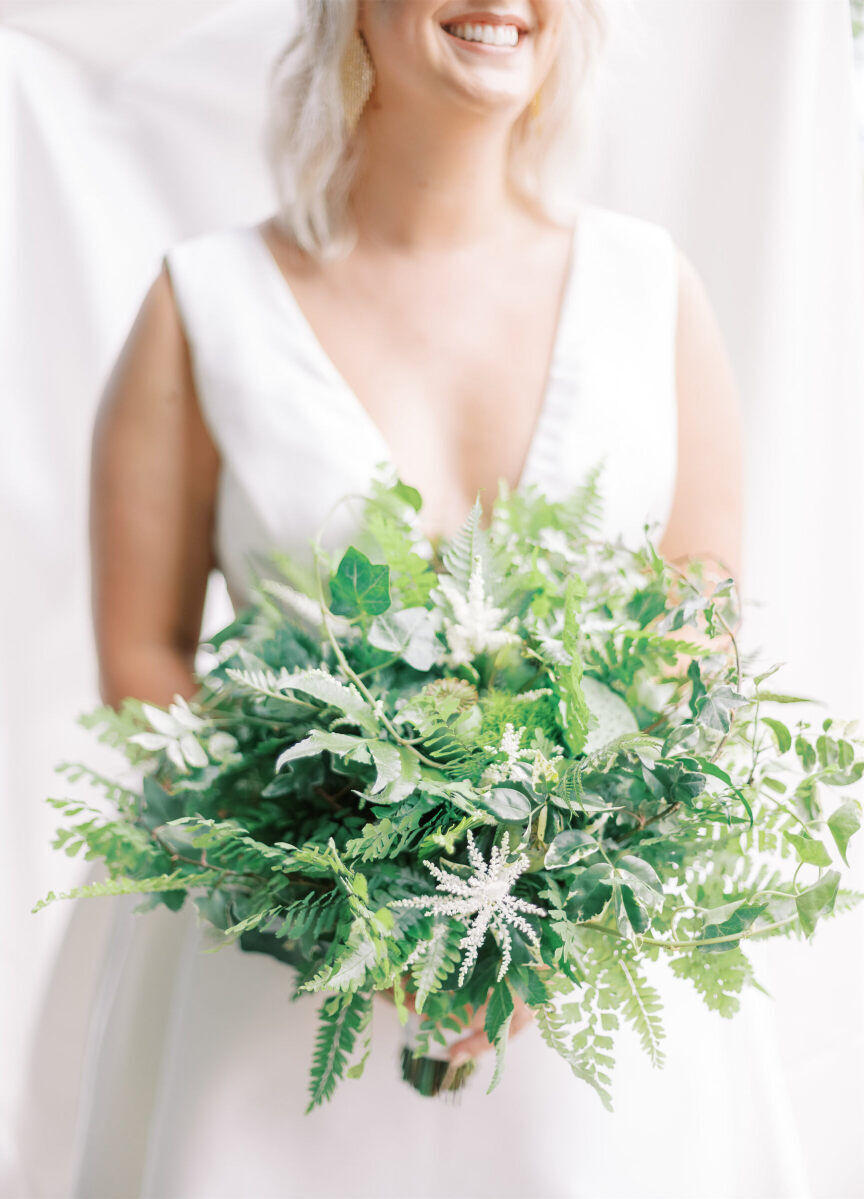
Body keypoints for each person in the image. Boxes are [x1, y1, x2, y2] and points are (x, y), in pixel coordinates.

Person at [79, 1, 741, 1194]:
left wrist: (558, 893)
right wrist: (336, 899)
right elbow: (144, 652)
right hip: (276, 1008)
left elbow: (700, 651)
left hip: (581, 1022)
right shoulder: (203, 304)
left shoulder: (653, 288)